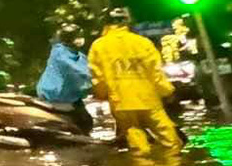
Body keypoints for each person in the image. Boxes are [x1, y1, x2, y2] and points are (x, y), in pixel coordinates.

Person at [88, 8, 180, 152]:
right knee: (171, 142)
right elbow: (156, 72)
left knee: (138, 146)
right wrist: (167, 92)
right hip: (148, 100)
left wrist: (102, 94)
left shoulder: (98, 46)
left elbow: (98, 77)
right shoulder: (143, 42)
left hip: (121, 102)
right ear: (127, 21)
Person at [35, 26, 94, 133]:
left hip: (69, 95)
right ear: (69, 38)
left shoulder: (79, 55)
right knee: (85, 121)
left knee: (86, 120)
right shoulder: (59, 52)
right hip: (56, 95)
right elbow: (75, 69)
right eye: (77, 36)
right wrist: (90, 77)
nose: (80, 39)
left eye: (81, 36)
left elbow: (89, 68)